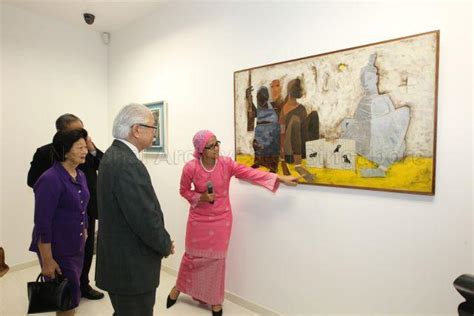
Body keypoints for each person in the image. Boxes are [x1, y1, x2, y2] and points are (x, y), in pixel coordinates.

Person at [166, 130, 299, 316]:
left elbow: (250, 173)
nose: (216, 148)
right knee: (192, 257)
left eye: (217, 143)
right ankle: (178, 288)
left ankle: (215, 301)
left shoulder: (226, 164)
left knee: (216, 262)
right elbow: (183, 191)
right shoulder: (191, 168)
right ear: (200, 150)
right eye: (210, 146)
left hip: (221, 221)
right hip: (198, 221)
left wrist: (280, 178)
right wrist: (201, 197)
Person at [95, 103, 174, 316]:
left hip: (120, 261)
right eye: (152, 127)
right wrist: (165, 244)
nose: (155, 132)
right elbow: (144, 218)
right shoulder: (126, 163)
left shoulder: (113, 155)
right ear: (136, 130)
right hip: (130, 267)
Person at [27, 114, 104, 300]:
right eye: (76, 132)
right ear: (62, 134)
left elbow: (106, 164)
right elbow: (34, 182)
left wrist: (91, 148)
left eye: (82, 131)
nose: (82, 138)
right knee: (62, 278)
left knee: (85, 252)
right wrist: (60, 190)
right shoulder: (46, 156)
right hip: (60, 217)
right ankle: (61, 290)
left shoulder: (86, 151)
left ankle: (82, 284)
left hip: (85, 211)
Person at [29, 128, 90, 315]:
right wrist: (47, 261)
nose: (85, 151)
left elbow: (83, 206)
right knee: (65, 300)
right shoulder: (49, 180)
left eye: (85, 146)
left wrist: (85, 227)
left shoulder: (80, 175)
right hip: (57, 249)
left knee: (70, 295)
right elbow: (42, 224)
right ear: (65, 150)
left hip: (75, 245)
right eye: (79, 147)